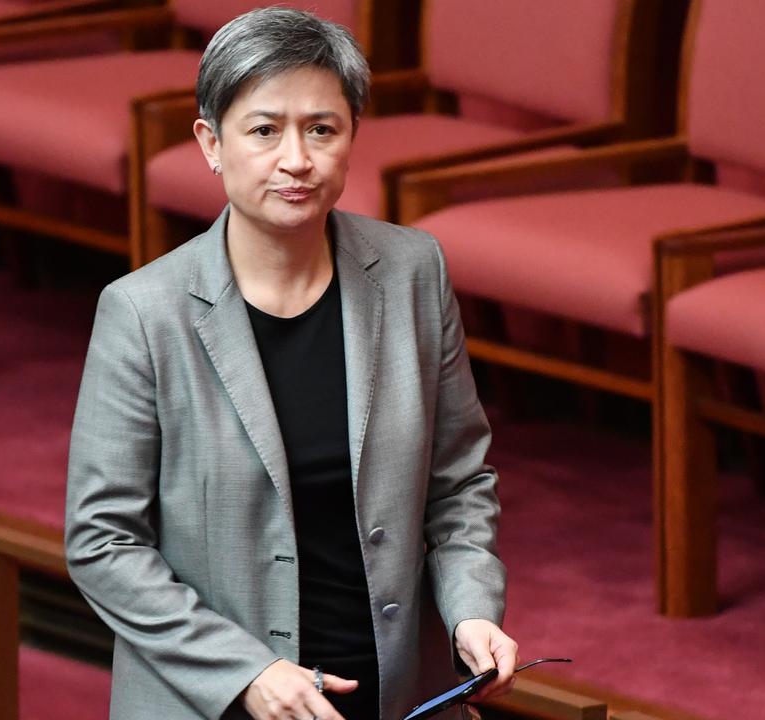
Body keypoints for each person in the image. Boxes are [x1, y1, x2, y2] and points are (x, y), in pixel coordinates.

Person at [65, 8, 516, 719]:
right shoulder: (144, 313)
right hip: (222, 701)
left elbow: (458, 482)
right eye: (264, 130)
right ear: (211, 144)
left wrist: (470, 609)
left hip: (395, 693)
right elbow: (102, 542)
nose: (297, 159)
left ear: (351, 139)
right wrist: (247, 672)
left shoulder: (411, 272)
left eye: (322, 129)